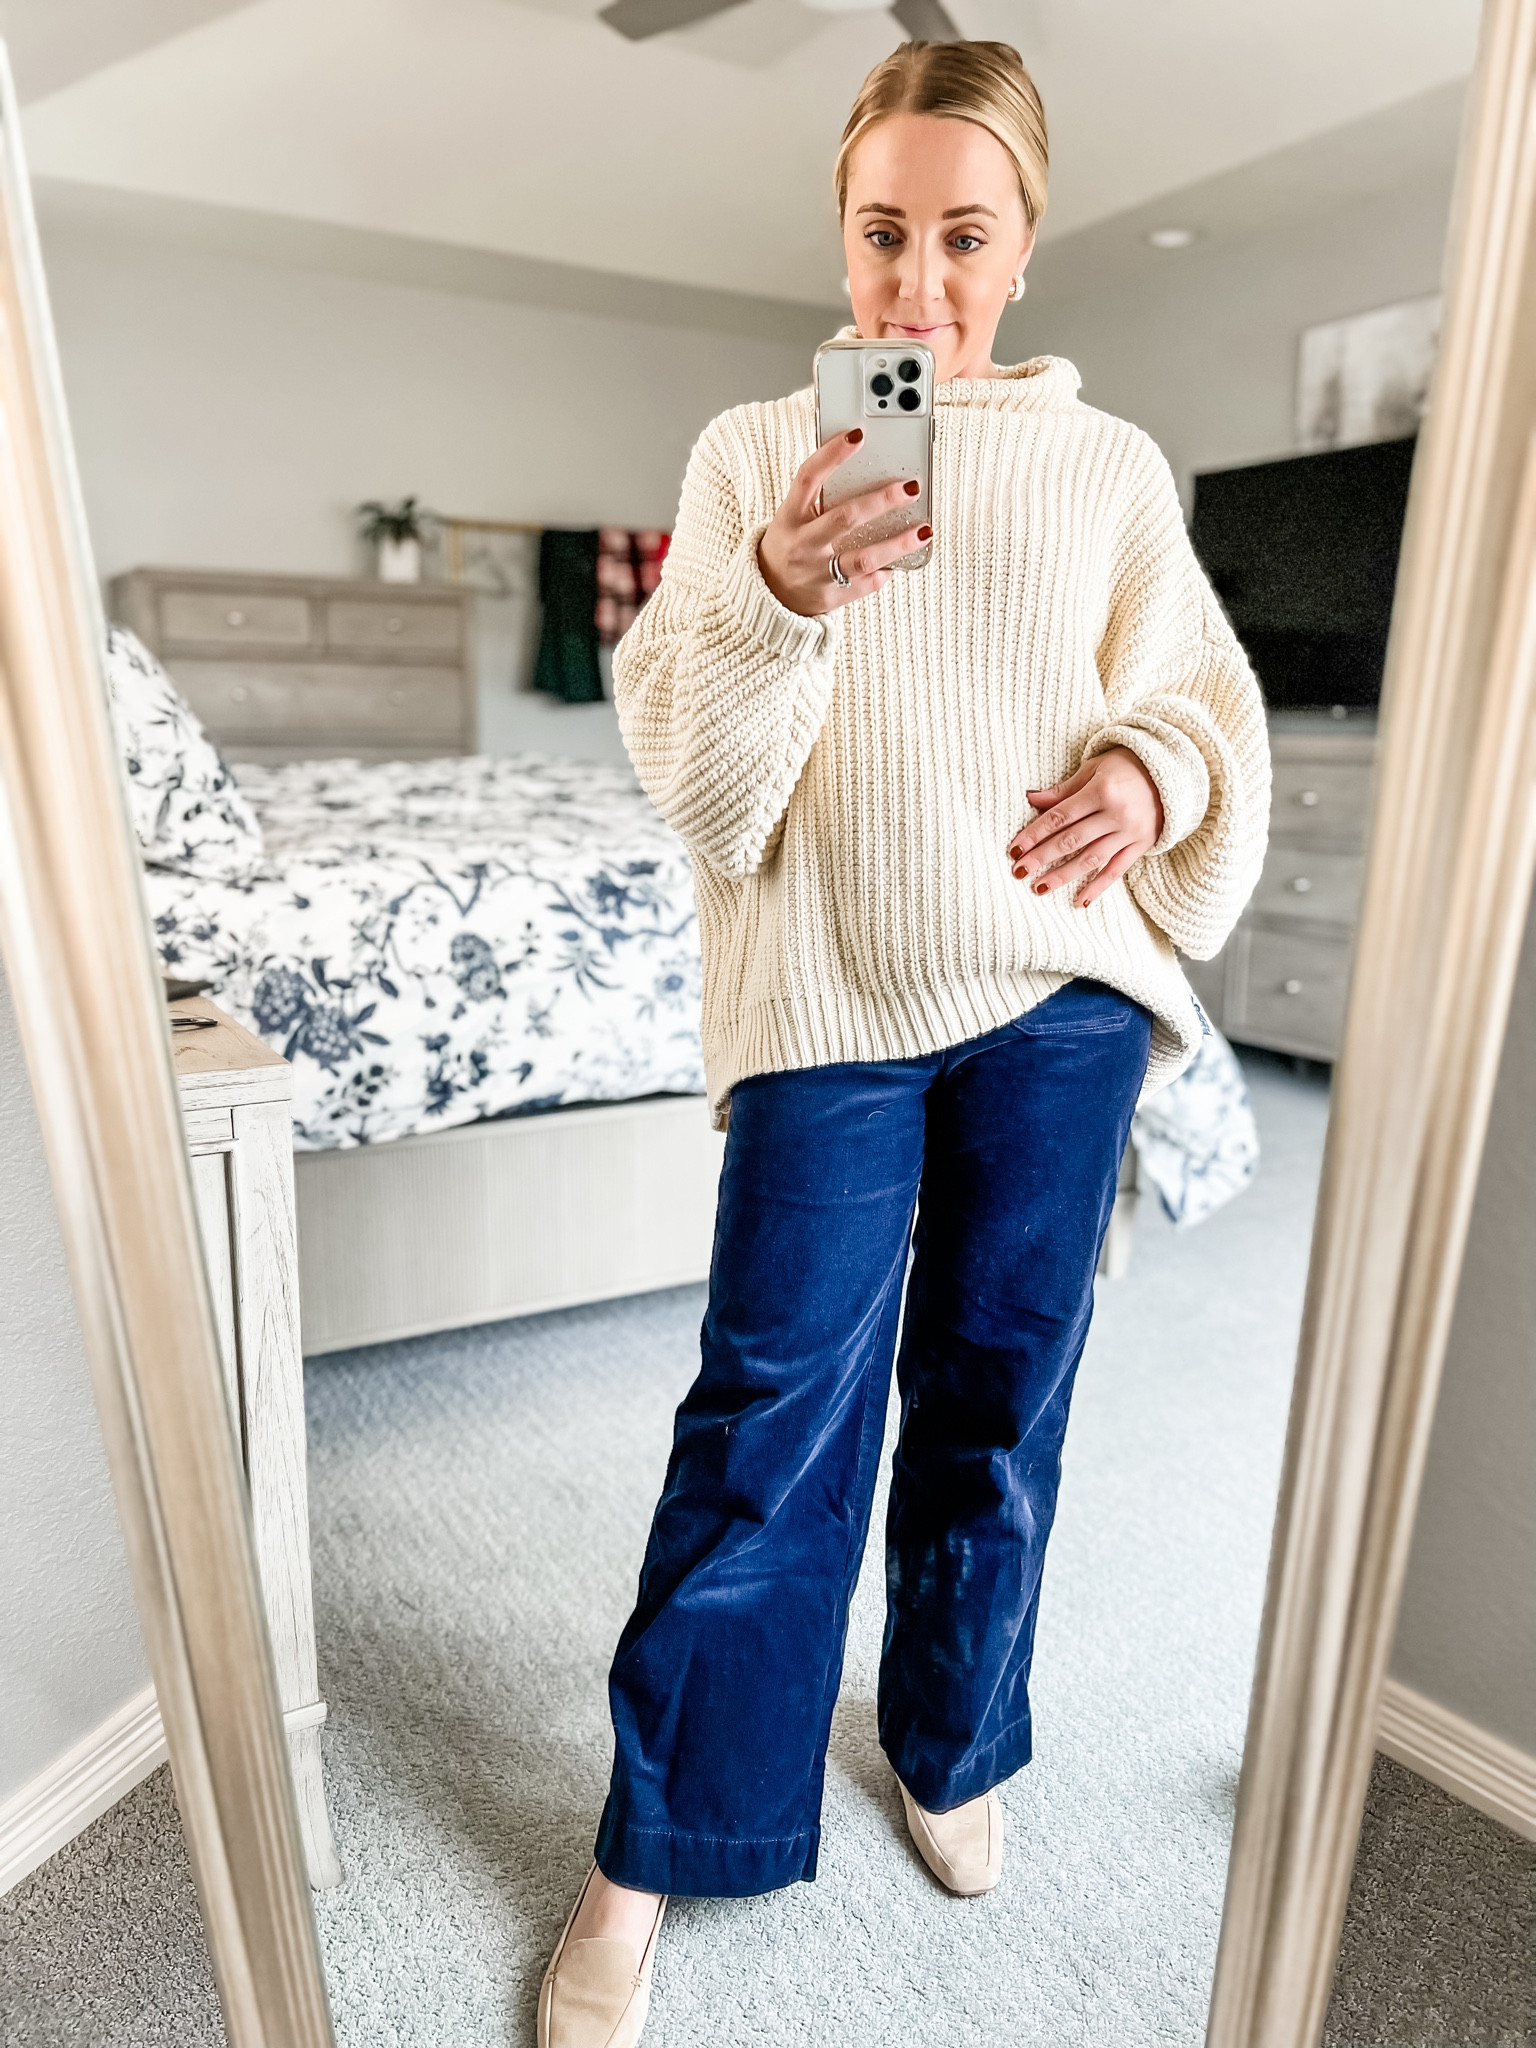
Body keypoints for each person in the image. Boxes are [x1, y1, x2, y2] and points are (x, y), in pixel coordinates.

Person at [536, 37, 1269, 2048]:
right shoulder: (748, 453)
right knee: (768, 1419)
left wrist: (1144, 771)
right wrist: (772, 589)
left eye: (964, 236)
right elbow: (704, 782)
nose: (917, 284)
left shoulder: (1112, 473)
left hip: (1055, 1001)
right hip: (831, 996)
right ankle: (660, 1839)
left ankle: (952, 1738)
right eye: (884, 234)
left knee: (998, 1401)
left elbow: (1200, 698)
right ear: (840, 234)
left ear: (1026, 248)